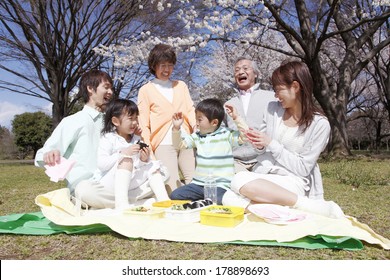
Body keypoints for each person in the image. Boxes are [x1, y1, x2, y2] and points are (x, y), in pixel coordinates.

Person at [224, 61, 345, 219]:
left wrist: (271, 144)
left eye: (278, 90)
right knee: (228, 195)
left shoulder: (319, 124)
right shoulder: (273, 110)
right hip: (264, 174)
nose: (275, 96)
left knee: (239, 182)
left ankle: (300, 204)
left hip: (293, 180)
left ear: (295, 87)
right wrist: (259, 142)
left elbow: (303, 168)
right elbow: (262, 146)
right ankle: (296, 208)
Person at [35, 69, 115, 209]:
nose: (111, 92)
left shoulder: (113, 122)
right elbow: (42, 154)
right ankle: (127, 204)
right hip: (86, 186)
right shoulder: (73, 121)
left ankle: (116, 203)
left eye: (111, 88)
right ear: (90, 88)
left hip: (111, 182)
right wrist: (50, 154)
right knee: (86, 192)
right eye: (106, 87)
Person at [137, 43, 196, 194]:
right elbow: (143, 122)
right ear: (153, 65)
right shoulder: (145, 90)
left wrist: (196, 131)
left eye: (170, 65)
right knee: (172, 186)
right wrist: (148, 147)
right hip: (162, 143)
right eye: (163, 65)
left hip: (185, 139)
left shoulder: (180, 86)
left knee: (194, 180)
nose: (167, 69)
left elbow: (190, 109)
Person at [92, 99, 170, 210]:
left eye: (136, 118)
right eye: (130, 119)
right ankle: (122, 205)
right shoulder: (109, 138)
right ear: (116, 121)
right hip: (110, 183)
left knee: (153, 166)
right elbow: (102, 164)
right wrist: (122, 153)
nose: (135, 122)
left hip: (130, 183)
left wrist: (143, 160)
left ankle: (164, 201)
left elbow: (138, 167)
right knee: (126, 160)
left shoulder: (136, 139)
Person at [170, 98, 247, 205]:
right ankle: (205, 202)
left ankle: (207, 202)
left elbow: (245, 137)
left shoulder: (226, 134)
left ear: (214, 122)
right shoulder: (196, 136)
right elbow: (179, 145)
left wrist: (236, 118)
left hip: (220, 185)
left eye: (199, 120)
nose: (196, 123)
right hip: (198, 185)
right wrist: (176, 128)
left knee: (220, 200)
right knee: (175, 195)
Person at [224, 56, 275, 172]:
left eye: (245, 68)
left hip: (264, 158)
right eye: (237, 70)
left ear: (256, 74)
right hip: (236, 160)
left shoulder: (271, 98)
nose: (240, 72)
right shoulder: (228, 104)